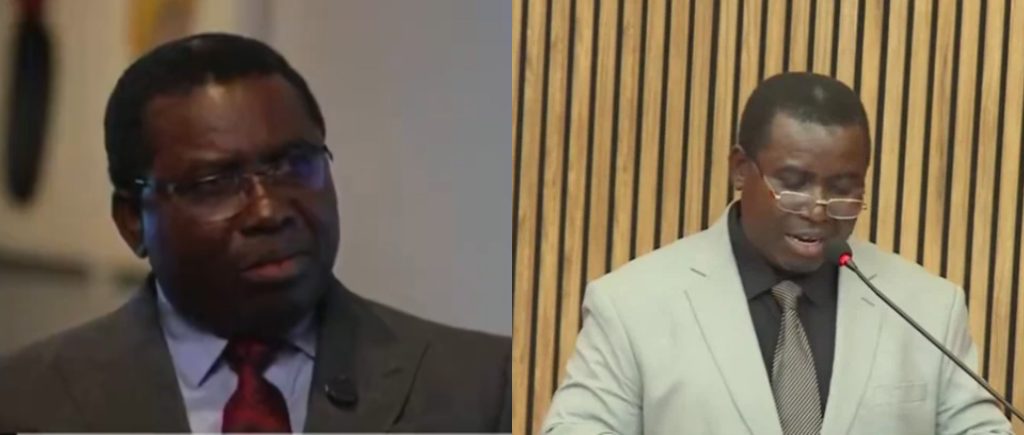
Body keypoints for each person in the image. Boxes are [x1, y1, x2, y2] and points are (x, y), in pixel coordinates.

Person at [0, 33, 511, 433]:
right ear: (133, 219)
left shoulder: (486, 388)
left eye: (295, 165)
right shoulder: (26, 400)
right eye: (215, 184)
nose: (269, 211)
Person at [541, 72, 1011, 434]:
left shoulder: (928, 307)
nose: (819, 209)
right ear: (740, 169)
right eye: (794, 183)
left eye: (844, 188)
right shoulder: (631, 305)